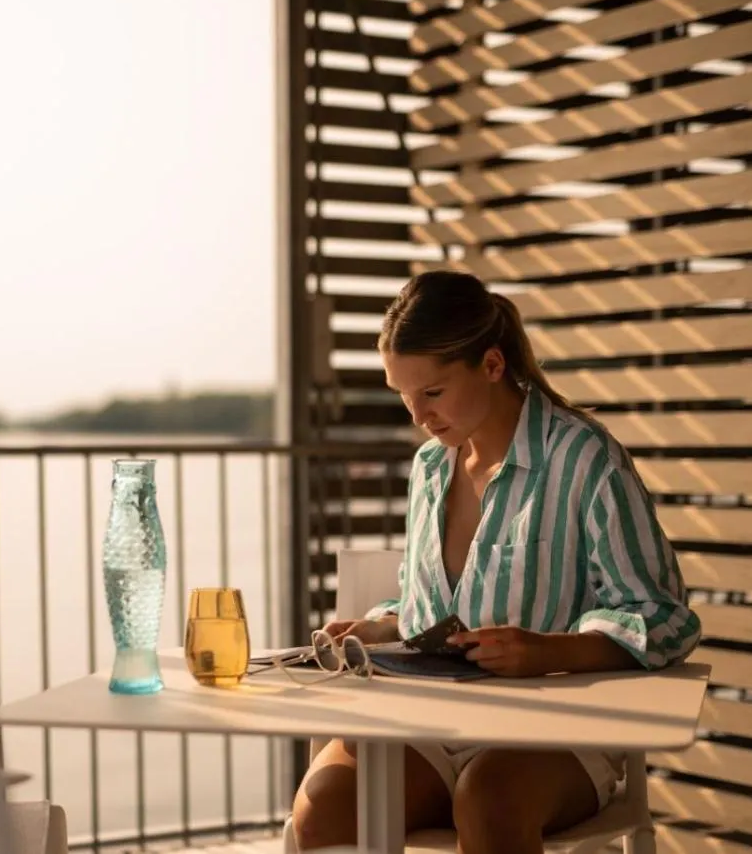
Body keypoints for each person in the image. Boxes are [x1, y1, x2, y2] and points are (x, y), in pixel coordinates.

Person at [290, 270, 700, 853]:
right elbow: (431, 604)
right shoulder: (431, 469)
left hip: (555, 730)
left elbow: (661, 615)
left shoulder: (584, 458)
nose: (419, 417)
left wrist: (548, 651)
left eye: (432, 393)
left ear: (491, 364)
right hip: (434, 723)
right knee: (323, 810)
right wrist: (386, 624)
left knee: (488, 803)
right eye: (403, 396)